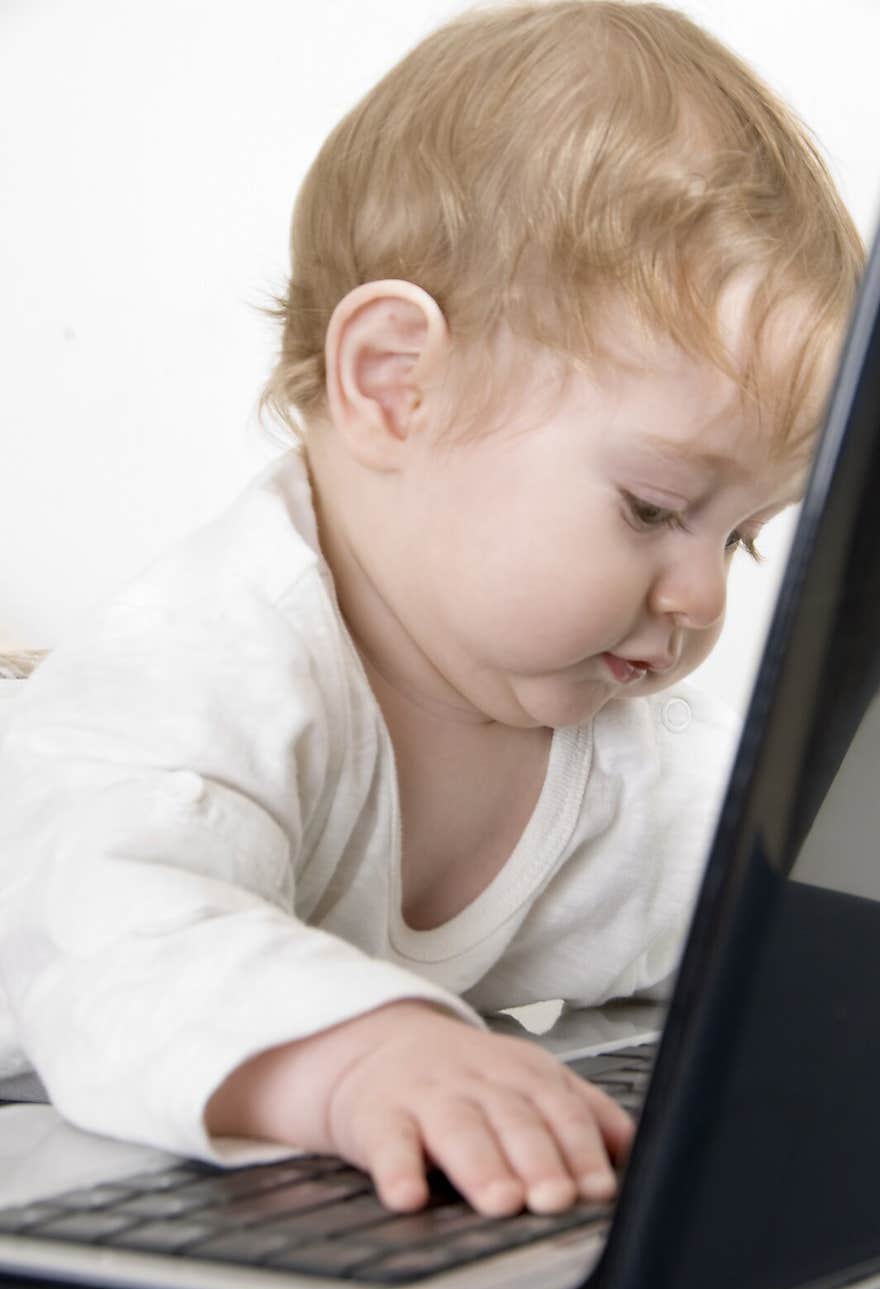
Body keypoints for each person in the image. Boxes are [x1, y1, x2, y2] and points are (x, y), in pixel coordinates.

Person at [0, 1, 863, 1219]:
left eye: (741, 535)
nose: (704, 593)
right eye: (652, 506)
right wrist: (364, 1052)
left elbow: (775, 888)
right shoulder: (201, 670)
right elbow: (115, 939)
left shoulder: (607, 745)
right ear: (397, 386)